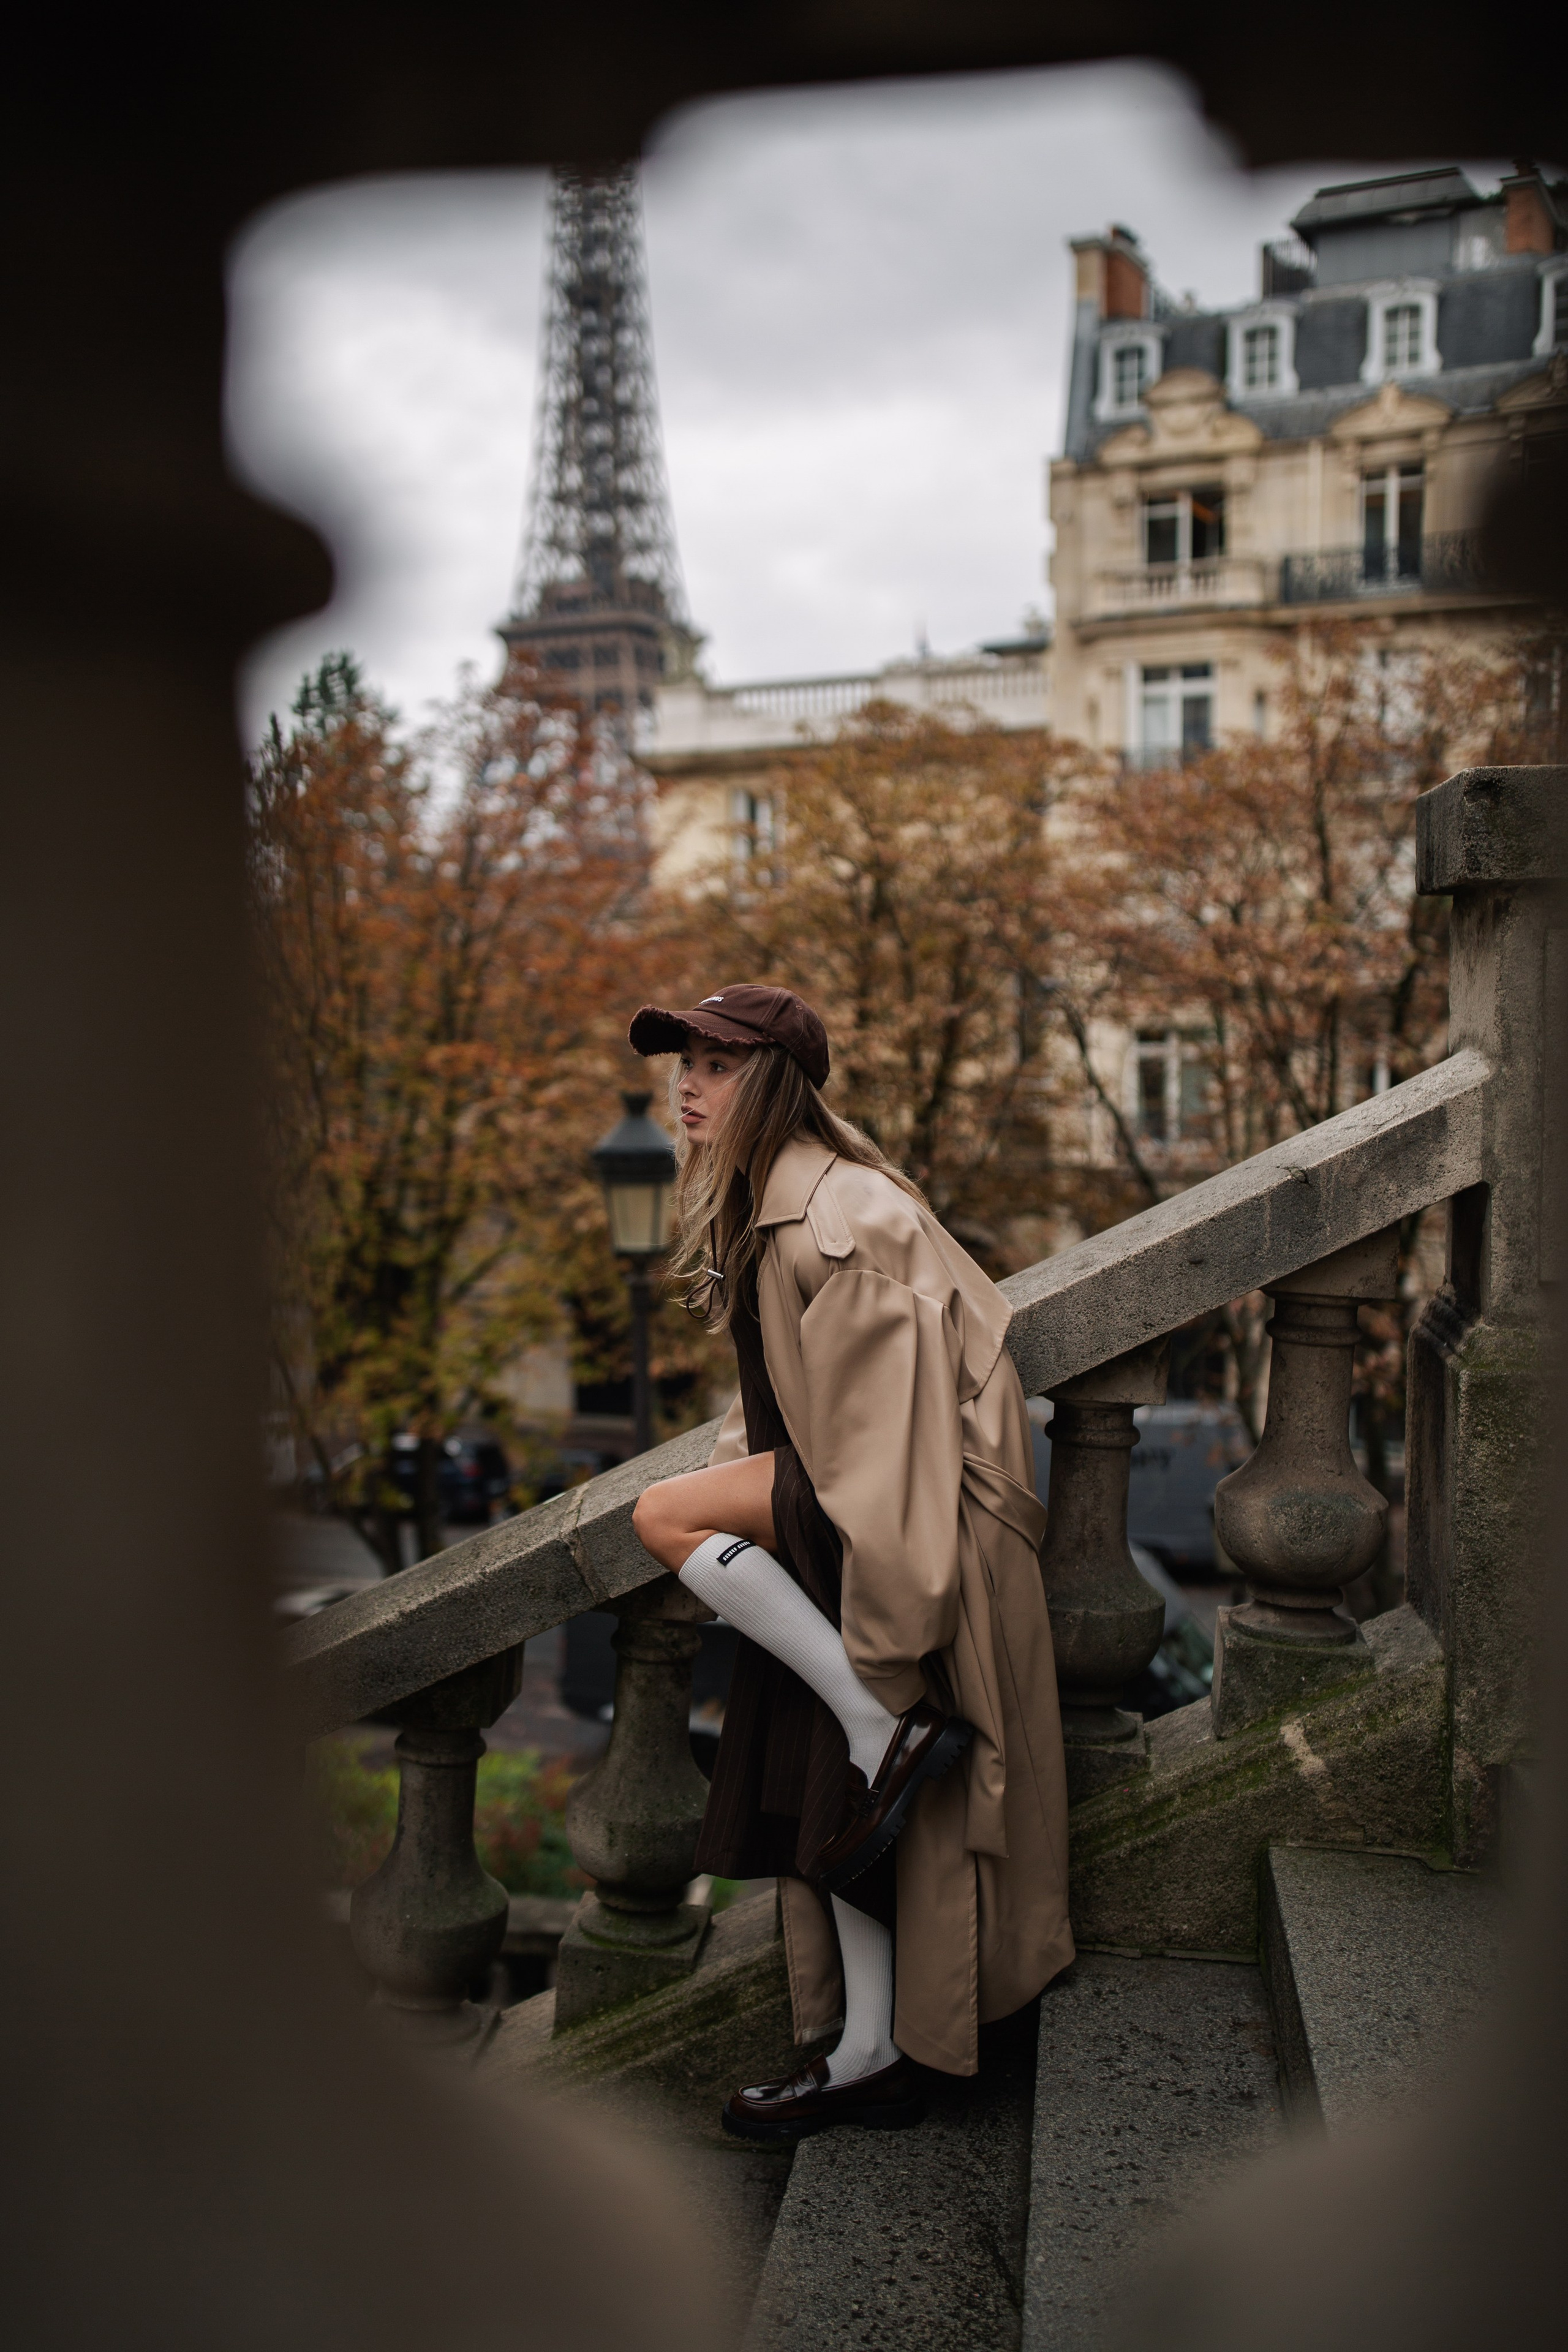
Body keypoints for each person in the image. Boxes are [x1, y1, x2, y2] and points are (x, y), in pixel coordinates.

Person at [629, 982, 1072, 2141]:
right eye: (686, 1059)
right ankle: (868, 2053)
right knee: (839, 1808)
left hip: (898, 1538)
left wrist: (882, 1640)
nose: (688, 1082)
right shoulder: (781, 1210)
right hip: (841, 1523)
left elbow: (896, 1452)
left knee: (663, 1520)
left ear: (773, 1082)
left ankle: (882, 1727)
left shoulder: (841, 1217)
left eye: (719, 1065)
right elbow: (781, 1416)